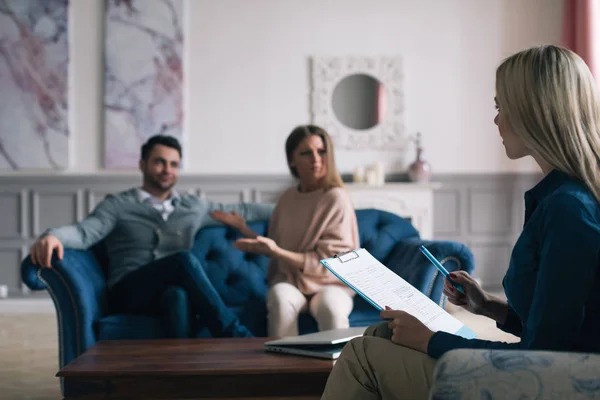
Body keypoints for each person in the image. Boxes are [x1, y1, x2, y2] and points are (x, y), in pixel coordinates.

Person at [321, 45, 600, 399]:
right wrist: (487, 307)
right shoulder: (565, 198)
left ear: (534, 111)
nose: (496, 120)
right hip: (549, 369)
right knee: (380, 335)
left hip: (550, 384)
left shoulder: (568, 211)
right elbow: (559, 327)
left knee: (363, 355)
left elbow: (545, 356)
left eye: (501, 107)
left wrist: (432, 340)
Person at [29, 135, 274, 338]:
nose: (167, 170)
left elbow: (245, 211)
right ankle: (234, 334)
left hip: (169, 292)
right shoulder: (118, 205)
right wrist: (53, 236)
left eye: (174, 164)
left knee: (177, 296)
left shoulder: (193, 207)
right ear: (143, 164)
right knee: (183, 261)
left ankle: (175, 380)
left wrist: (304, 205)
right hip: (128, 291)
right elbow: (84, 232)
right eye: (159, 162)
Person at [211, 125, 359, 337]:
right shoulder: (288, 198)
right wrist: (243, 228)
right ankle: (283, 370)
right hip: (291, 282)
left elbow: (330, 264)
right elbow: (275, 245)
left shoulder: (336, 198)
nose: (316, 159)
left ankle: (338, 369)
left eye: (321, 151)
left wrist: (277, 252)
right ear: (292, 160)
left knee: (331, 309)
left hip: (330, 283)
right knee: (280, 299)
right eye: (306, 153)